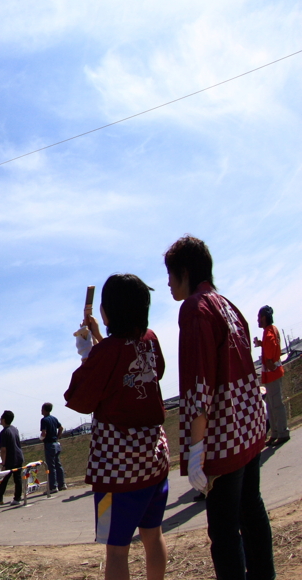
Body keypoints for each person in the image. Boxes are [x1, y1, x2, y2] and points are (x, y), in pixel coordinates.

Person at [165, 235, 273, 580]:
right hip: (251, 424)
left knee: (224, 531)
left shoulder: (195, 308)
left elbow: (200, 385)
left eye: (170, 275)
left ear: (184, 272)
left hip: (224, 434)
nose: (168, 283)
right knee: (251, 510)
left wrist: (196, 449)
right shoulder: (225, 302)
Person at [65, 273, 170, 580]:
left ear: (109, 311)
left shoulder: (105, 353)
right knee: (153, 536)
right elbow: (140, 364)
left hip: (118, 471)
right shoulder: (149, 340)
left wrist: (88, 353)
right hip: (155, 461)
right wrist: (99, 340)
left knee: (116, 550)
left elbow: (79, 398)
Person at [255, 305, 290, 446]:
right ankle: (275, 433)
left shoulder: (269, 332)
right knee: (270, 404)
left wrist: (269, 360)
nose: (258, 320)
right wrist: (261, 344)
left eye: (259, 317)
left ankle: (282, 432)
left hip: (272, 374)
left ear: (263, 318)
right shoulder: (271, 330)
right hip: (272, 375)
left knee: (276, 404)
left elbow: (270, 348)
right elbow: (270, 344)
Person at [0, 410, 23, 510]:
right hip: (19, 456)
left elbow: (3, 449)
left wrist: (3, 463)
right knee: (18, 478)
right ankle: (17, 498)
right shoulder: (14, 429)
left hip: (10, 459)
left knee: (3, 480)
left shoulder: (4, 432)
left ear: (3, 420)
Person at [40, 403, 66, 494]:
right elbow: (61, 428)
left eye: (42, 409)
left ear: (45, 410)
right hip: (56, 443)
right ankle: (62, 484)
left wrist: (41, 439)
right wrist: (58, 437)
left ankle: (53, 487)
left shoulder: (44, 420)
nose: (41, 411)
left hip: (49, 444)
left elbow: (44, 433)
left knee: (51, 466)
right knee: (58, 464)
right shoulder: (54, 419)